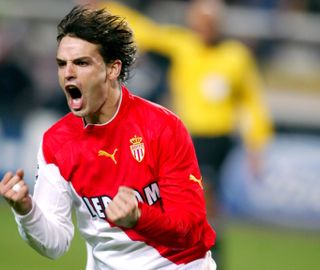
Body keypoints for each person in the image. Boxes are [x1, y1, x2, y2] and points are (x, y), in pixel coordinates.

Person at [0, 5, 216, 270]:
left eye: (81, 63)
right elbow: (55, 244)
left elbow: (191, 230)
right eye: (61, 64)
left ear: (112, 69)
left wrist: (139, 216)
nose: (68, 72)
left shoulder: (162, 127)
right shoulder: (56, 143)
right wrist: (26, 210)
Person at [104, 0, 274, 267]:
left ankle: (207, 253)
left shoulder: (235, 55)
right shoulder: (184, 45)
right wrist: (106, 6)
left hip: (216, 139)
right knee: (179, 200)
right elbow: (145, 30)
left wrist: (257, 144)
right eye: (199, 21)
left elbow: (252, 102)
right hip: (183, 137)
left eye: (208, 22)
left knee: (203, 194)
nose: (203, 27)